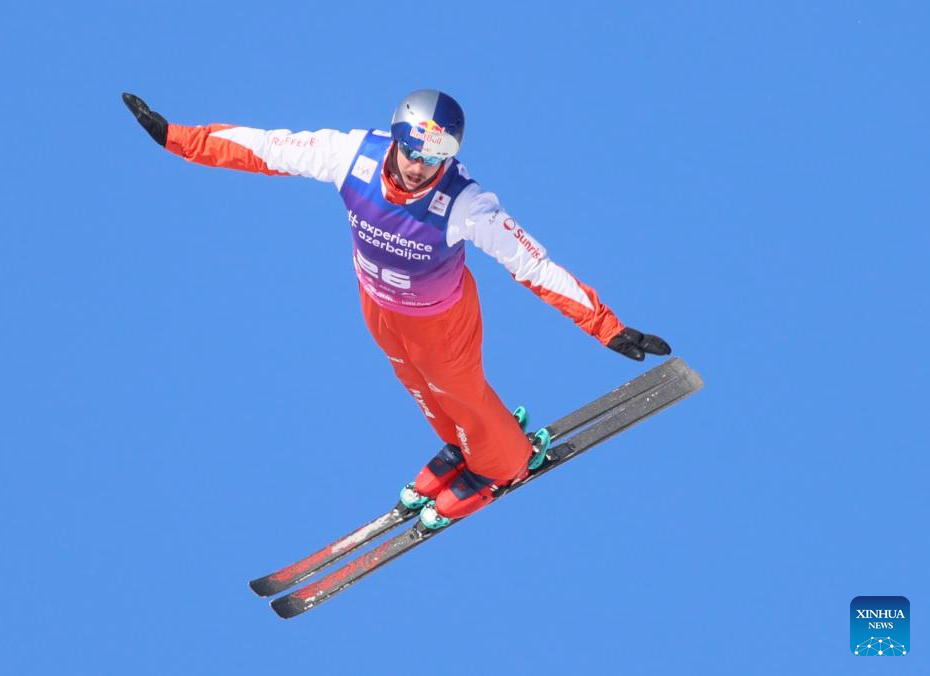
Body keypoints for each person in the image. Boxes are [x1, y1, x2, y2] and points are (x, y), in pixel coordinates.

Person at [122, 89, 671, 529]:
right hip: (379, 307)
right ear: (396, 137)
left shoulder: (466, 203)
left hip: (443, 322)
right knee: (416, 385)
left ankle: (505, 462)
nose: (418, 166)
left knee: (457, 388)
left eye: (435, 157)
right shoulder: (350, 155)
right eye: (412, 150)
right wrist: (176, 138)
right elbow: (265, 148)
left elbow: (534, 266)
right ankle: (465, 445)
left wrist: (609, 329)